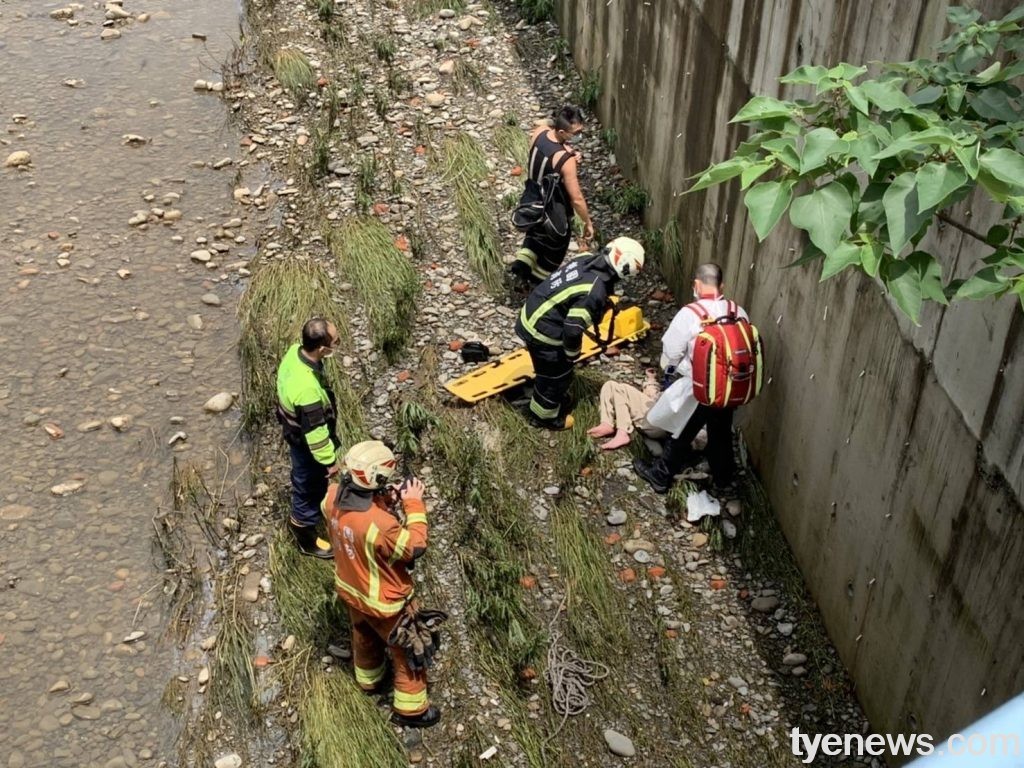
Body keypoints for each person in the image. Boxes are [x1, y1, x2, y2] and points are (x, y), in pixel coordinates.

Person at [322, 441, 440, 729]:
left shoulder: (331, 498)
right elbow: (414, 547)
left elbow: (356, 520)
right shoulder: (380, 526)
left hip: (351, 593)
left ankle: (369, 681)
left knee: (363, 637)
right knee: (408, 651)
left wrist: (384, 500)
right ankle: (411, 711)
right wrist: (412, 503)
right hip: (386, 605)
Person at [633, 263, 749, 495]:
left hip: (702, 386)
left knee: (684, 428)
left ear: (696, 285)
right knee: (721, 431)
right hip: (731, 386)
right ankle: (724, 481)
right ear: (721, 286)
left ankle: (660, 475)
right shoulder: (738, 311)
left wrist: (669, 375)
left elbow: (671, 353)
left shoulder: (690, 314)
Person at [515, 236, 645, 430]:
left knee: (550, 370)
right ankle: (543, 416)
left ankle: (546, 399)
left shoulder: (585, 260)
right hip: (543, 332)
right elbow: (573, 328)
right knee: (557, 375)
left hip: (532, 313)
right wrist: (572, 354)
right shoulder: (594, 291)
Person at [276, 318, 341, 559]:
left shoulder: (294, 352)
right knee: (308, 486)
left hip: (292, 427)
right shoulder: (308, 392)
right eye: (336, 341)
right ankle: (304, 534)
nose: (338, 342)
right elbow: (316, 435)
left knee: (305, 479)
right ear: (322, 349)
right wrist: (330, 462)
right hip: (305, 442)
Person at [508, 105, 595, 287]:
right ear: (562, 131)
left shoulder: (539, 132)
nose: (578, 136)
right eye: (576, 133)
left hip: (531, 196)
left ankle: (521, 269)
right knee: (556, 246)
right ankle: (536, 283)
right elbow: (576, 198)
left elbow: (550, 140)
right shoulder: (566, 160)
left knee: (534, 234)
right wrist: (587, 222)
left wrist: (567, 150)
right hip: (551, 206)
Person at [587, 368, 664, 450]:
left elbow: (657, 397)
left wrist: (650, 383)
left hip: (662, 420)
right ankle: (606, 423)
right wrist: (651, 380)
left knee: (621, 389)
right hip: (659, 412)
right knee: (609, 385)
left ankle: (623, 433)